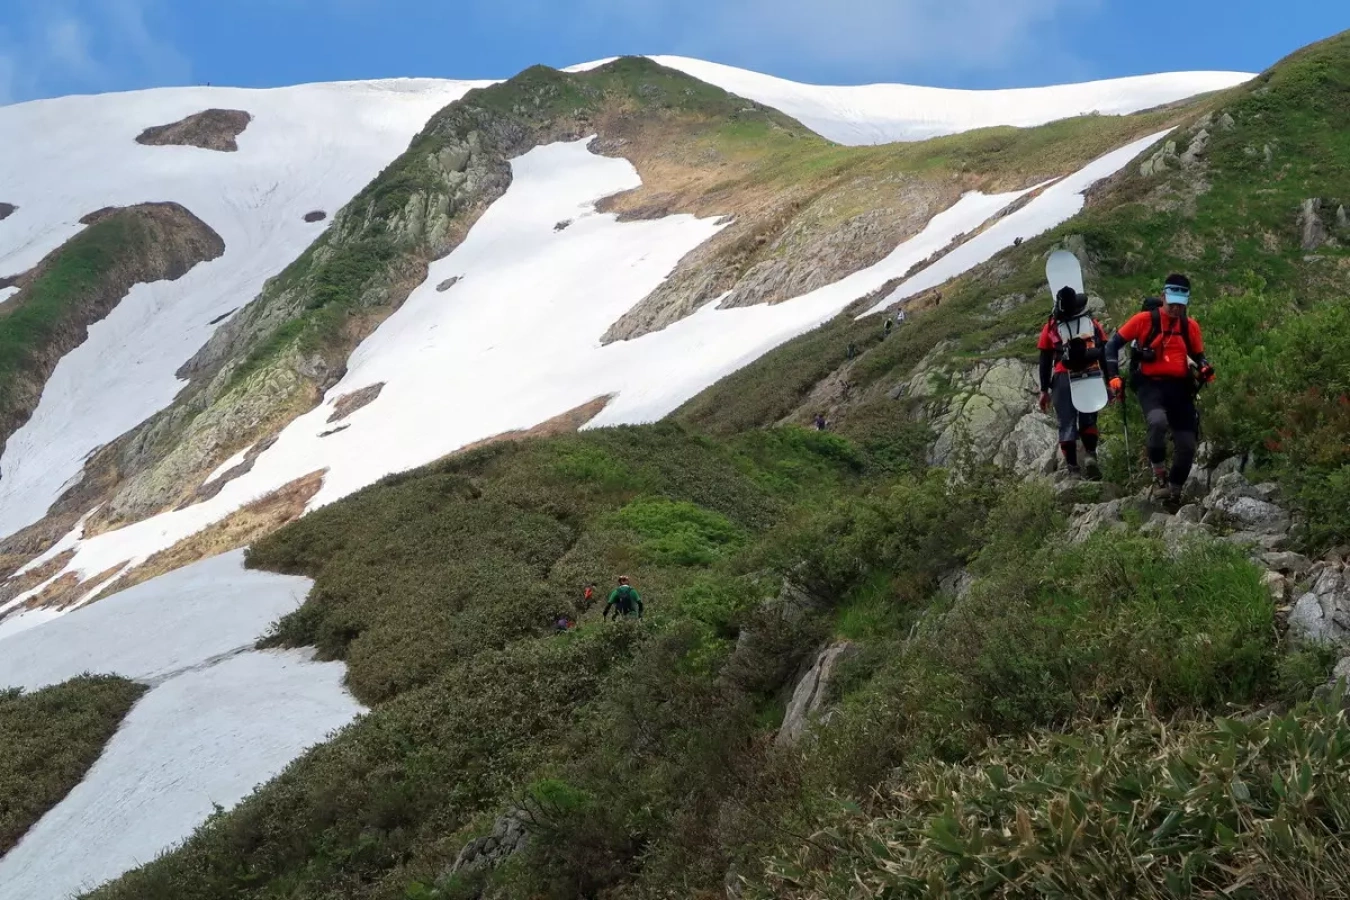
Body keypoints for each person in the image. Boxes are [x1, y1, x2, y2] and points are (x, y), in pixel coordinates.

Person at [1104, 274, 1215, 508]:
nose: (1176, 309)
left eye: (1180, 305)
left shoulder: (1190, 326)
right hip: (1150, 384)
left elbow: (1198, 355)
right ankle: (1159, 475)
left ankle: (1174, 492)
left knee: (1187, 445)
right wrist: (1113, 376)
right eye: (1172, 303)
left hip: (1180, 387)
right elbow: (1112, 345)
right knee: (1157, 422)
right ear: (1163, 297)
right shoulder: (1144, 320)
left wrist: (1204, 367)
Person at [1038, 285, 1108, 478]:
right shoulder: (1090, 322)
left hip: (1062, 376)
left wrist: (1044, 389)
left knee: (1066, 422)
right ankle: (1091, 455)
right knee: (1088, 416)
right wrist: (1110, 381)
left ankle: (1073, 469)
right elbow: (1103, 350)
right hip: (1090, 372)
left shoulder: (1051, 326)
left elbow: (1044, 359)